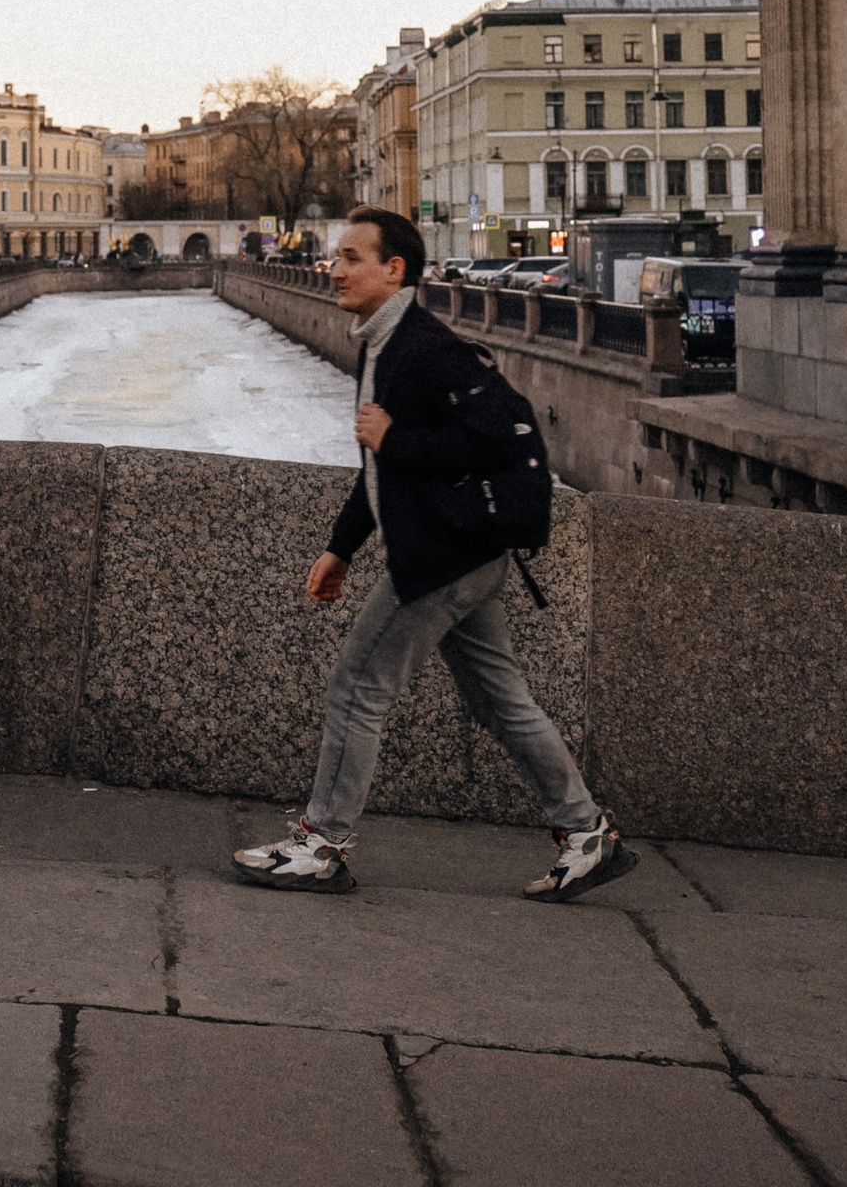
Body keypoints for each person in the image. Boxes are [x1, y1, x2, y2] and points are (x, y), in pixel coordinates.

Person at [233, 207, 634, 903]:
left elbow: (510, 440)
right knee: (501, 701)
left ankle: (320, 844)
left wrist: (401, 443)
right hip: (464, 554)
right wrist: (342, 547)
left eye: (352, 258)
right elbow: (379, 466)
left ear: (395, 270)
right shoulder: (383, 345)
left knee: (357, 690)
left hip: (443, 558)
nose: (335, 269)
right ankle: (586, 832)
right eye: (337, 257)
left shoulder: (428, 348)